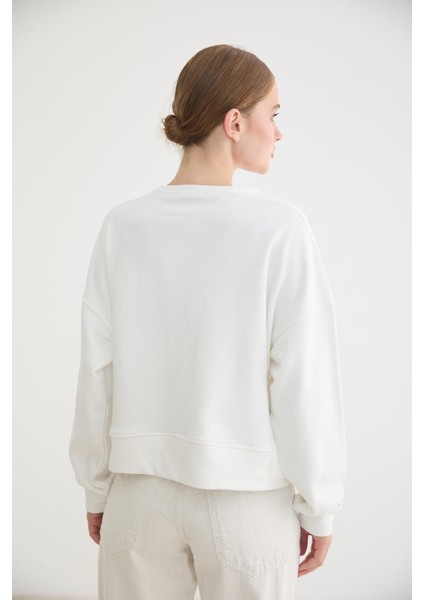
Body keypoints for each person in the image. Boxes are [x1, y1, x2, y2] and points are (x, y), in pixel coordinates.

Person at [69, 43, 347, 600]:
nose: (279, 132)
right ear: (235, 122)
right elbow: (302, 380)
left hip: (138, 496)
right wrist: (319, 504)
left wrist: (97, 488)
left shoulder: (123, 226)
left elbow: (98, 371)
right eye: (274, 114)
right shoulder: (279, 229)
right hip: (247, 502)